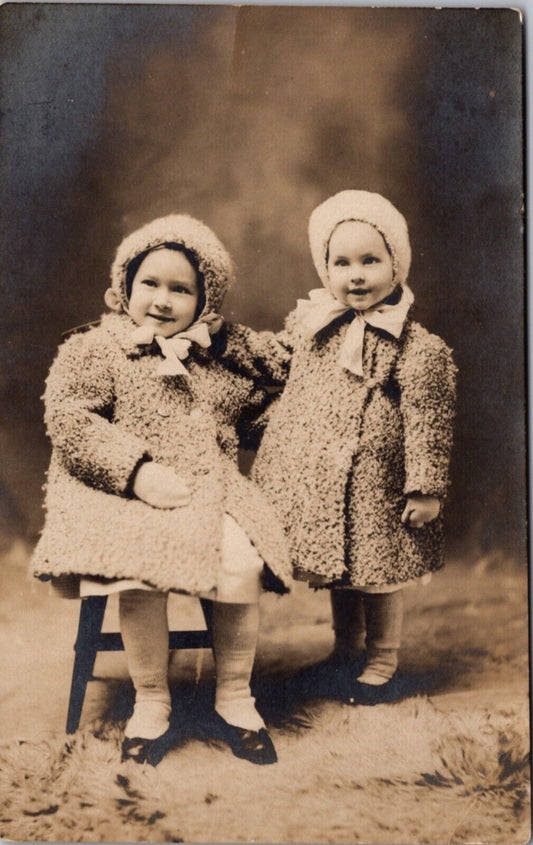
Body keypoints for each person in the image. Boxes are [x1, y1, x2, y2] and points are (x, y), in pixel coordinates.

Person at [31, 213, 292, 765]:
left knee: (239, 559)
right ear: (125, 286)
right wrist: (136, 471)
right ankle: (151, 700)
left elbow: (251, 413)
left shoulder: (213, 359)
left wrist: (285, 410)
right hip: (126, 491)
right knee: (138, 567)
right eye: (150, 283)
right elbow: (70, 417)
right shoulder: (97, 349)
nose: (162, 300)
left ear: (205, 302)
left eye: (182, 289)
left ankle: (235, 698)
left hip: (206, 489)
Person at [217, 190, 457, 705]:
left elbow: (428, 419)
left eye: (371, 260)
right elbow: (274, 359)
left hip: (377, 480)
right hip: (325, 480)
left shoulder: (416, 345)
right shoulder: (312, 326)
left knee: (378, 571)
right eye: (341, 262)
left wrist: (425, 487)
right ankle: (346, 649)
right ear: (324, 267)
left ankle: (383, 657)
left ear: (397, 265)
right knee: (343, 567)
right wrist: (226, 339)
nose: (356, 275)